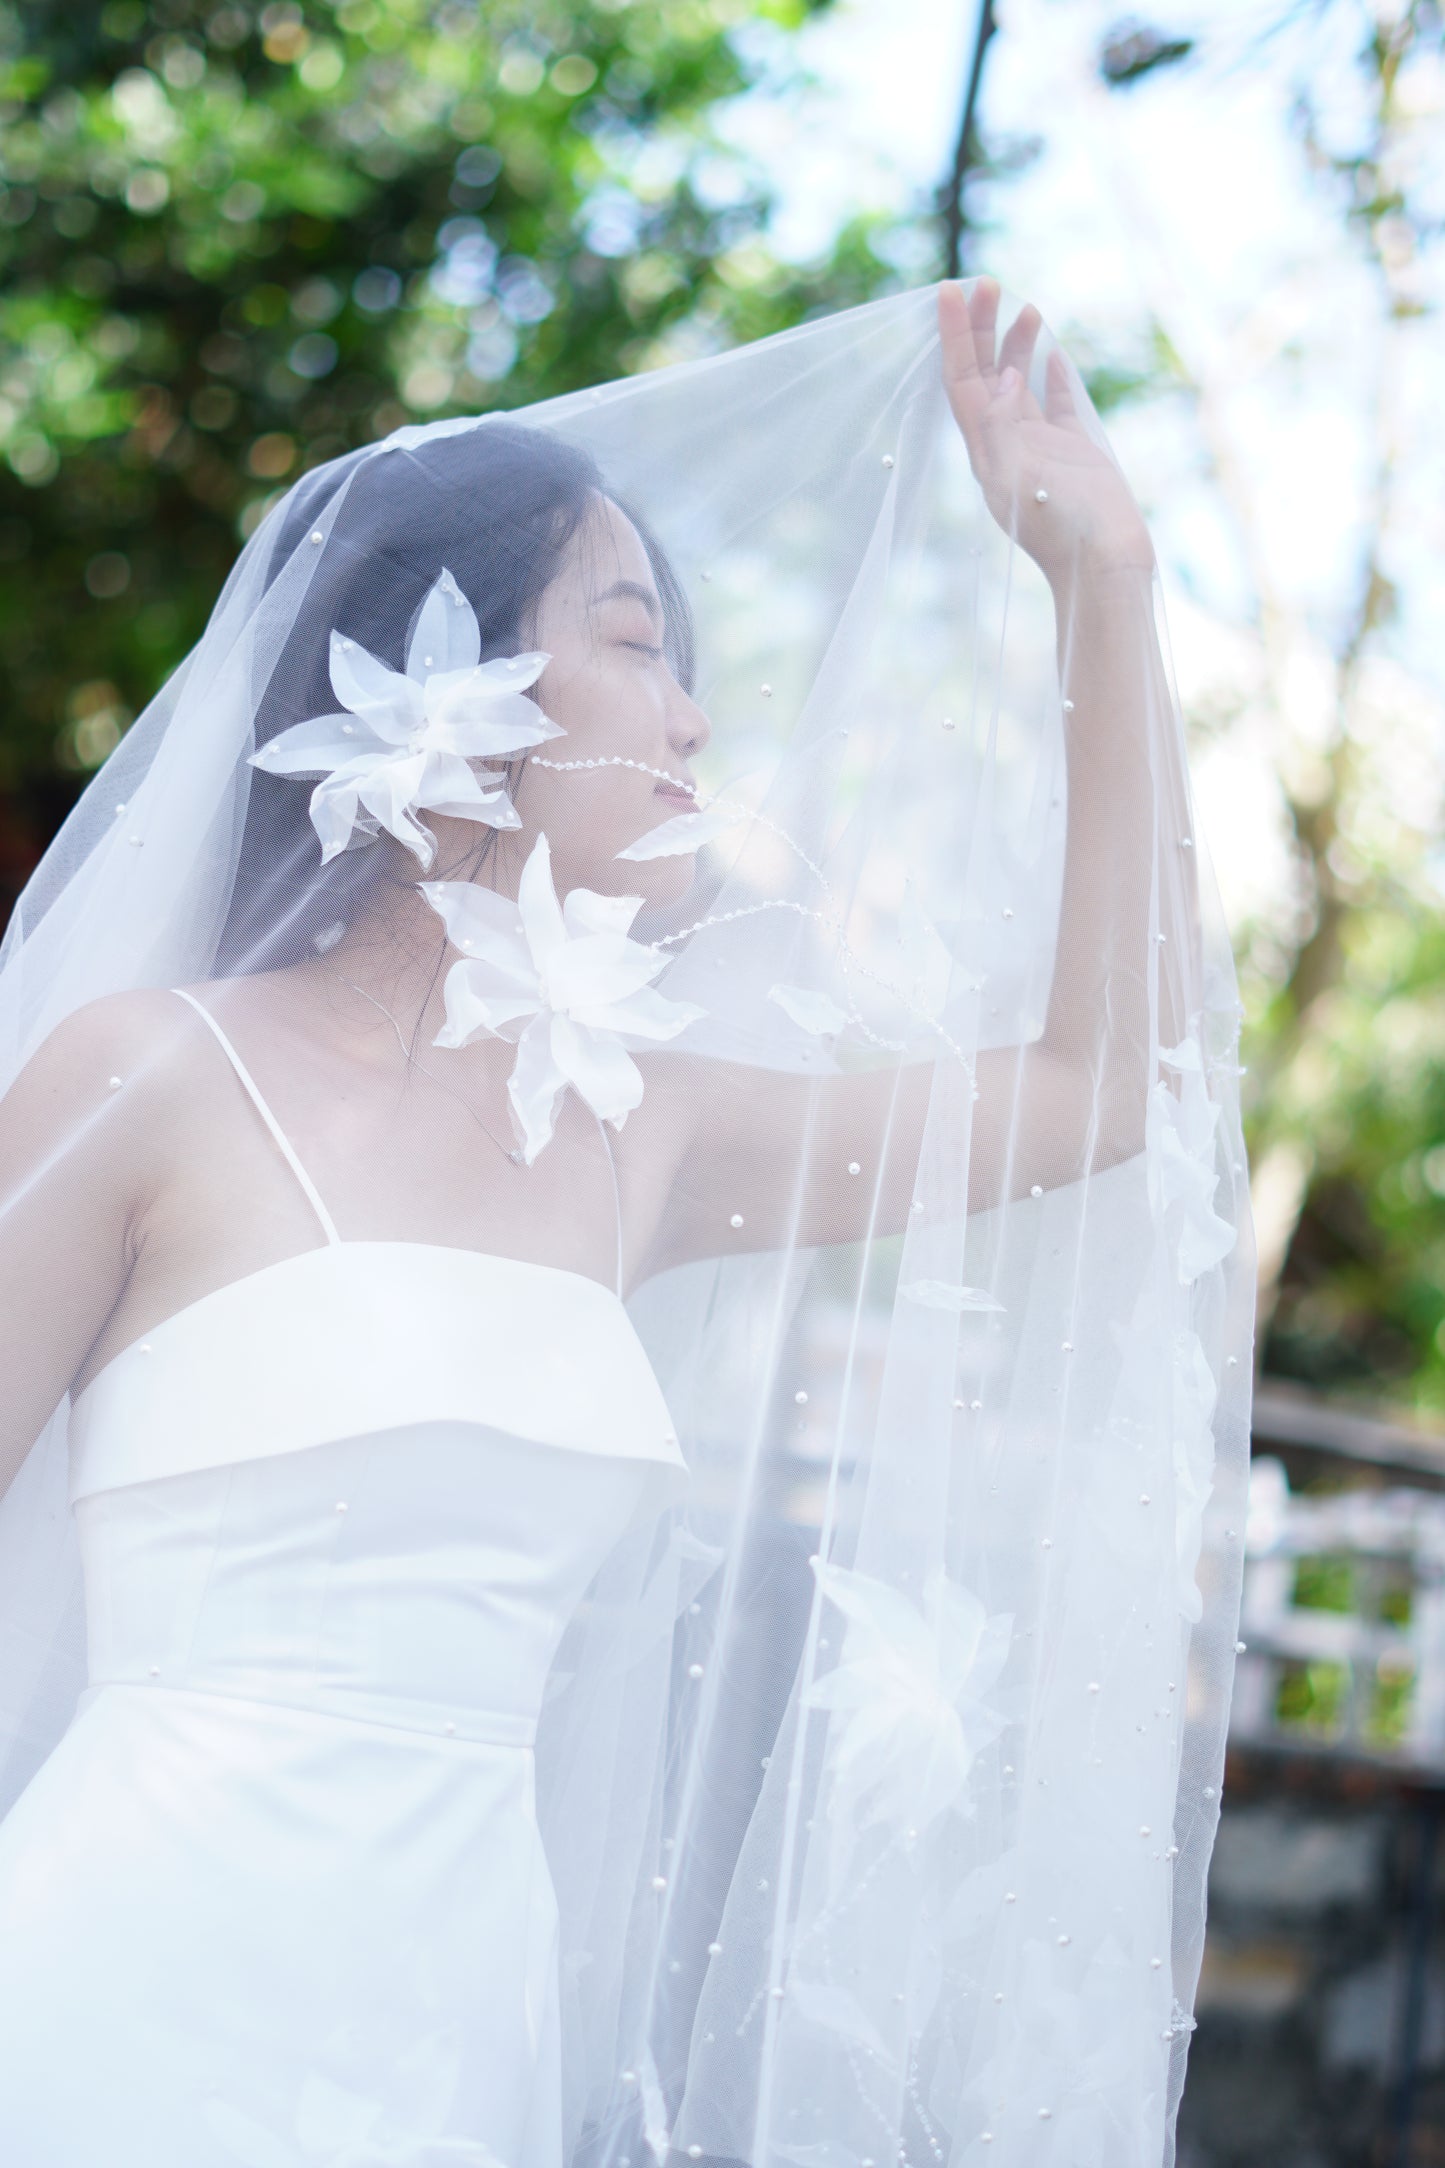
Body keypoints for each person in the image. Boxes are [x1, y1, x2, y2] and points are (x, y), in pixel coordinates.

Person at [0, 281, 1251, 2167]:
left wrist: (1105, 586)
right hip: (123, 1976)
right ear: (454, 682)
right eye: (633, 637)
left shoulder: (639, 1132)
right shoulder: (143, 1076)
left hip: (461, 2019)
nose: (690, 716)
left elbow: (1094, 1082)